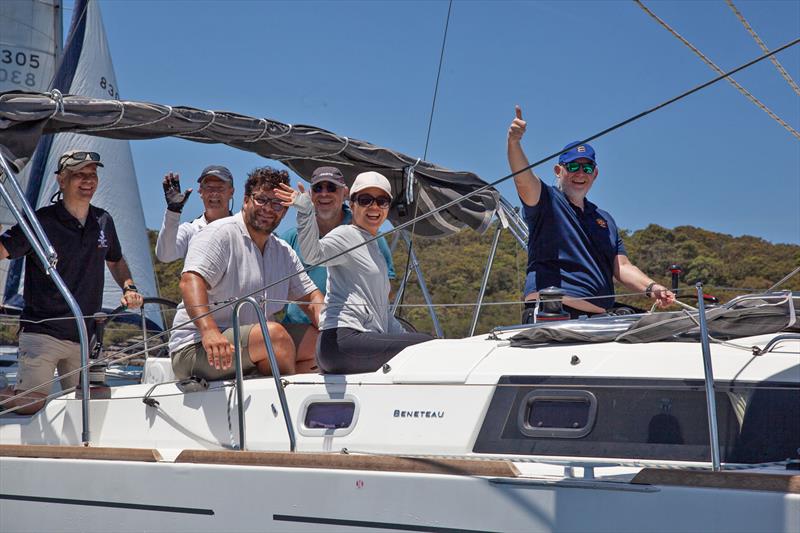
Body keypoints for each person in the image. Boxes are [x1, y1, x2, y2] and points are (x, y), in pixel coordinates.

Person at [0, 150, 143, 414]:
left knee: (87, 407)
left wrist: (129, 286)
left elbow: (115, 259)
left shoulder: (103, 221)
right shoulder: (40, 221)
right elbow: (4, 249)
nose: (88, 180)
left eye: (92, 175)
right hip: (42, 332)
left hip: (84, 334)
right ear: (61, 180)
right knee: (30, 403)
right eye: (79, 174)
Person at [507, 105, 675, 319]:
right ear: (559, 171)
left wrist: (652, 287)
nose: (580, 174)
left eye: (587, 168)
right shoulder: (547, 201)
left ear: (595, 174)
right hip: (554, 315)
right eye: (573, 167)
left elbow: (622, 267)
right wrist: (514, 142)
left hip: (598, 319)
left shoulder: (605, 219)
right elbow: (523, 180)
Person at [168, 166, 324, 381]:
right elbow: (190, 281)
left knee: (322, 344)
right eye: (261, 199)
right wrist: (209, 331)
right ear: (245, 200)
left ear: (285, 210)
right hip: (196, 347)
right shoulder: (219, 233)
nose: (268, 208)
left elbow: (311, 298)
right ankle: (281, 400)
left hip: (252, 341)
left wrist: (328, 326)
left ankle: (280, 389)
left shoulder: (283, 251)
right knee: (275, 336)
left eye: (277, 203)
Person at [276, 171, 432, 374]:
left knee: (428, 345)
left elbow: (381, 311)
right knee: (428, 344)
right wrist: (306, 212)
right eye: (366, 200)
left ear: (387, 207)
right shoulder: (346, 234)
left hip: (356, 341)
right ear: (352, 204)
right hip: (341, 341)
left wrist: (407, 336)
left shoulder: (373, 245)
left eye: (381, 201)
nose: (374, 207)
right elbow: (314, 255)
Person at [279, 166, 396, 328]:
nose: (324, 193)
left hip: (351, 327)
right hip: (299, 329)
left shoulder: (372, 238)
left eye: (332, 187)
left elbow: (385, 291)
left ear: (345, 193)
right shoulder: (291, 238)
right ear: (311, 194)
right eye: (318, 188)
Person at [155, 165, 235, 262]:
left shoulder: (244, 229)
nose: (214, 193)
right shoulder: (190, 230)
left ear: (231, 192)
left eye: (220, 188)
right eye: (209, 187)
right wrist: (173, 210)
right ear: (200, 192)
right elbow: (165, 255)